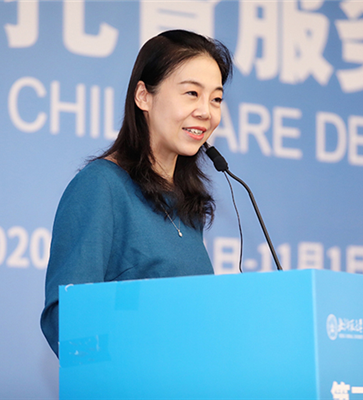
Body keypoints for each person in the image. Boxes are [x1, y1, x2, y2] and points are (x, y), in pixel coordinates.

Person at [40, 30, 233, 357]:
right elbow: (67, 319)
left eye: (216, 99)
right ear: (143, 96)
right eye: (191, 93)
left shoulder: (187, 205)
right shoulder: (101, 186)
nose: (206, 111)